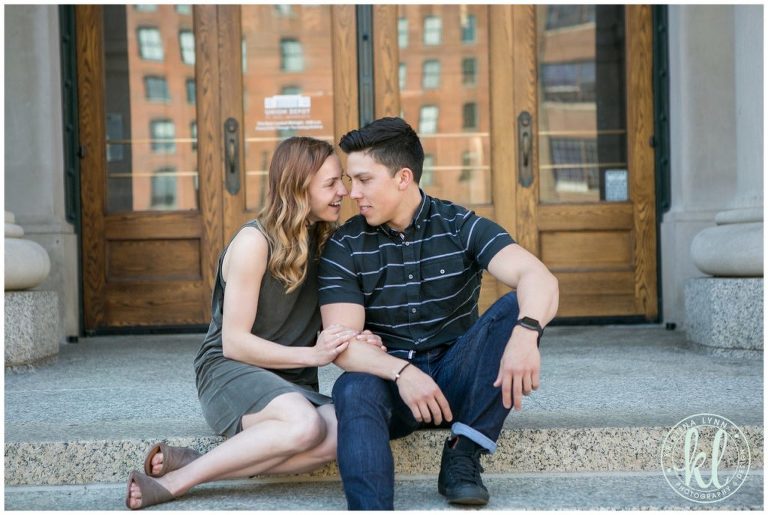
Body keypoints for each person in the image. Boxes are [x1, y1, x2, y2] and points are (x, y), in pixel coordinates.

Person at [125, 136, 382, 510]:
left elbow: (335, 319)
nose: (343, 190)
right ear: (297, 189)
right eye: (330, 184)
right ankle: (178, 482)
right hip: (230, 371)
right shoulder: (254, 242)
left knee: (344, 430)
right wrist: (314, 355)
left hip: (289, 382)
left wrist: (360, 338)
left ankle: (198, 463)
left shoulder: (327, 241)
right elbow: (235, 344)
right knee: (307, 426)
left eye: (340, 180)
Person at [318, 117, 559, 509]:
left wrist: (526, 334)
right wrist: (402, 371)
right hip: (391, 386)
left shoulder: (458, 224)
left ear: (403, 177)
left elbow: (539, 278)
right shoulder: (345, 244)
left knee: (518, 307)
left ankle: (463, 455)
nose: (350, 192)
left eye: (363, 180)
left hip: (458, 378)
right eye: (350, 180)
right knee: (351, 387)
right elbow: (341, 345)